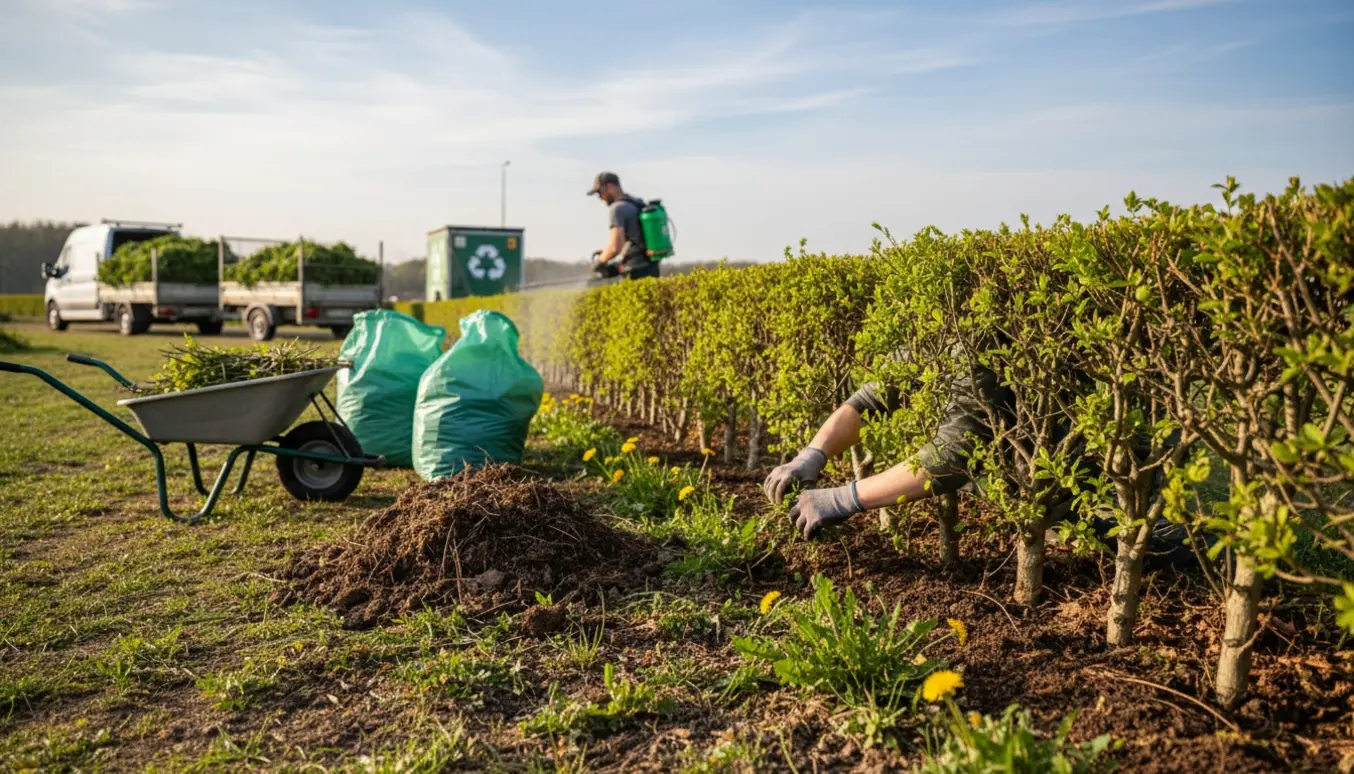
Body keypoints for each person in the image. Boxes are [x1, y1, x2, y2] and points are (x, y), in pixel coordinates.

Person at [764, 364, 1202, 569]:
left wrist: (845, 498)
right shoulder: (935, 323)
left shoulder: (980, 340)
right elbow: (871, 399)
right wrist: (813, 453)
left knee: (1181, 556)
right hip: (1055, 486)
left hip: (1139, 493)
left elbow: (953, 454)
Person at [588, 171, 661, 281]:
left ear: (609, 186)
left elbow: (615, 248)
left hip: (634, 270)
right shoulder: (636, 203)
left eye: (599, 192)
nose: (600, 197)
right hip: (651, 267)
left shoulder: (617, 208)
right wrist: (606, 252)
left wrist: (599, 262)